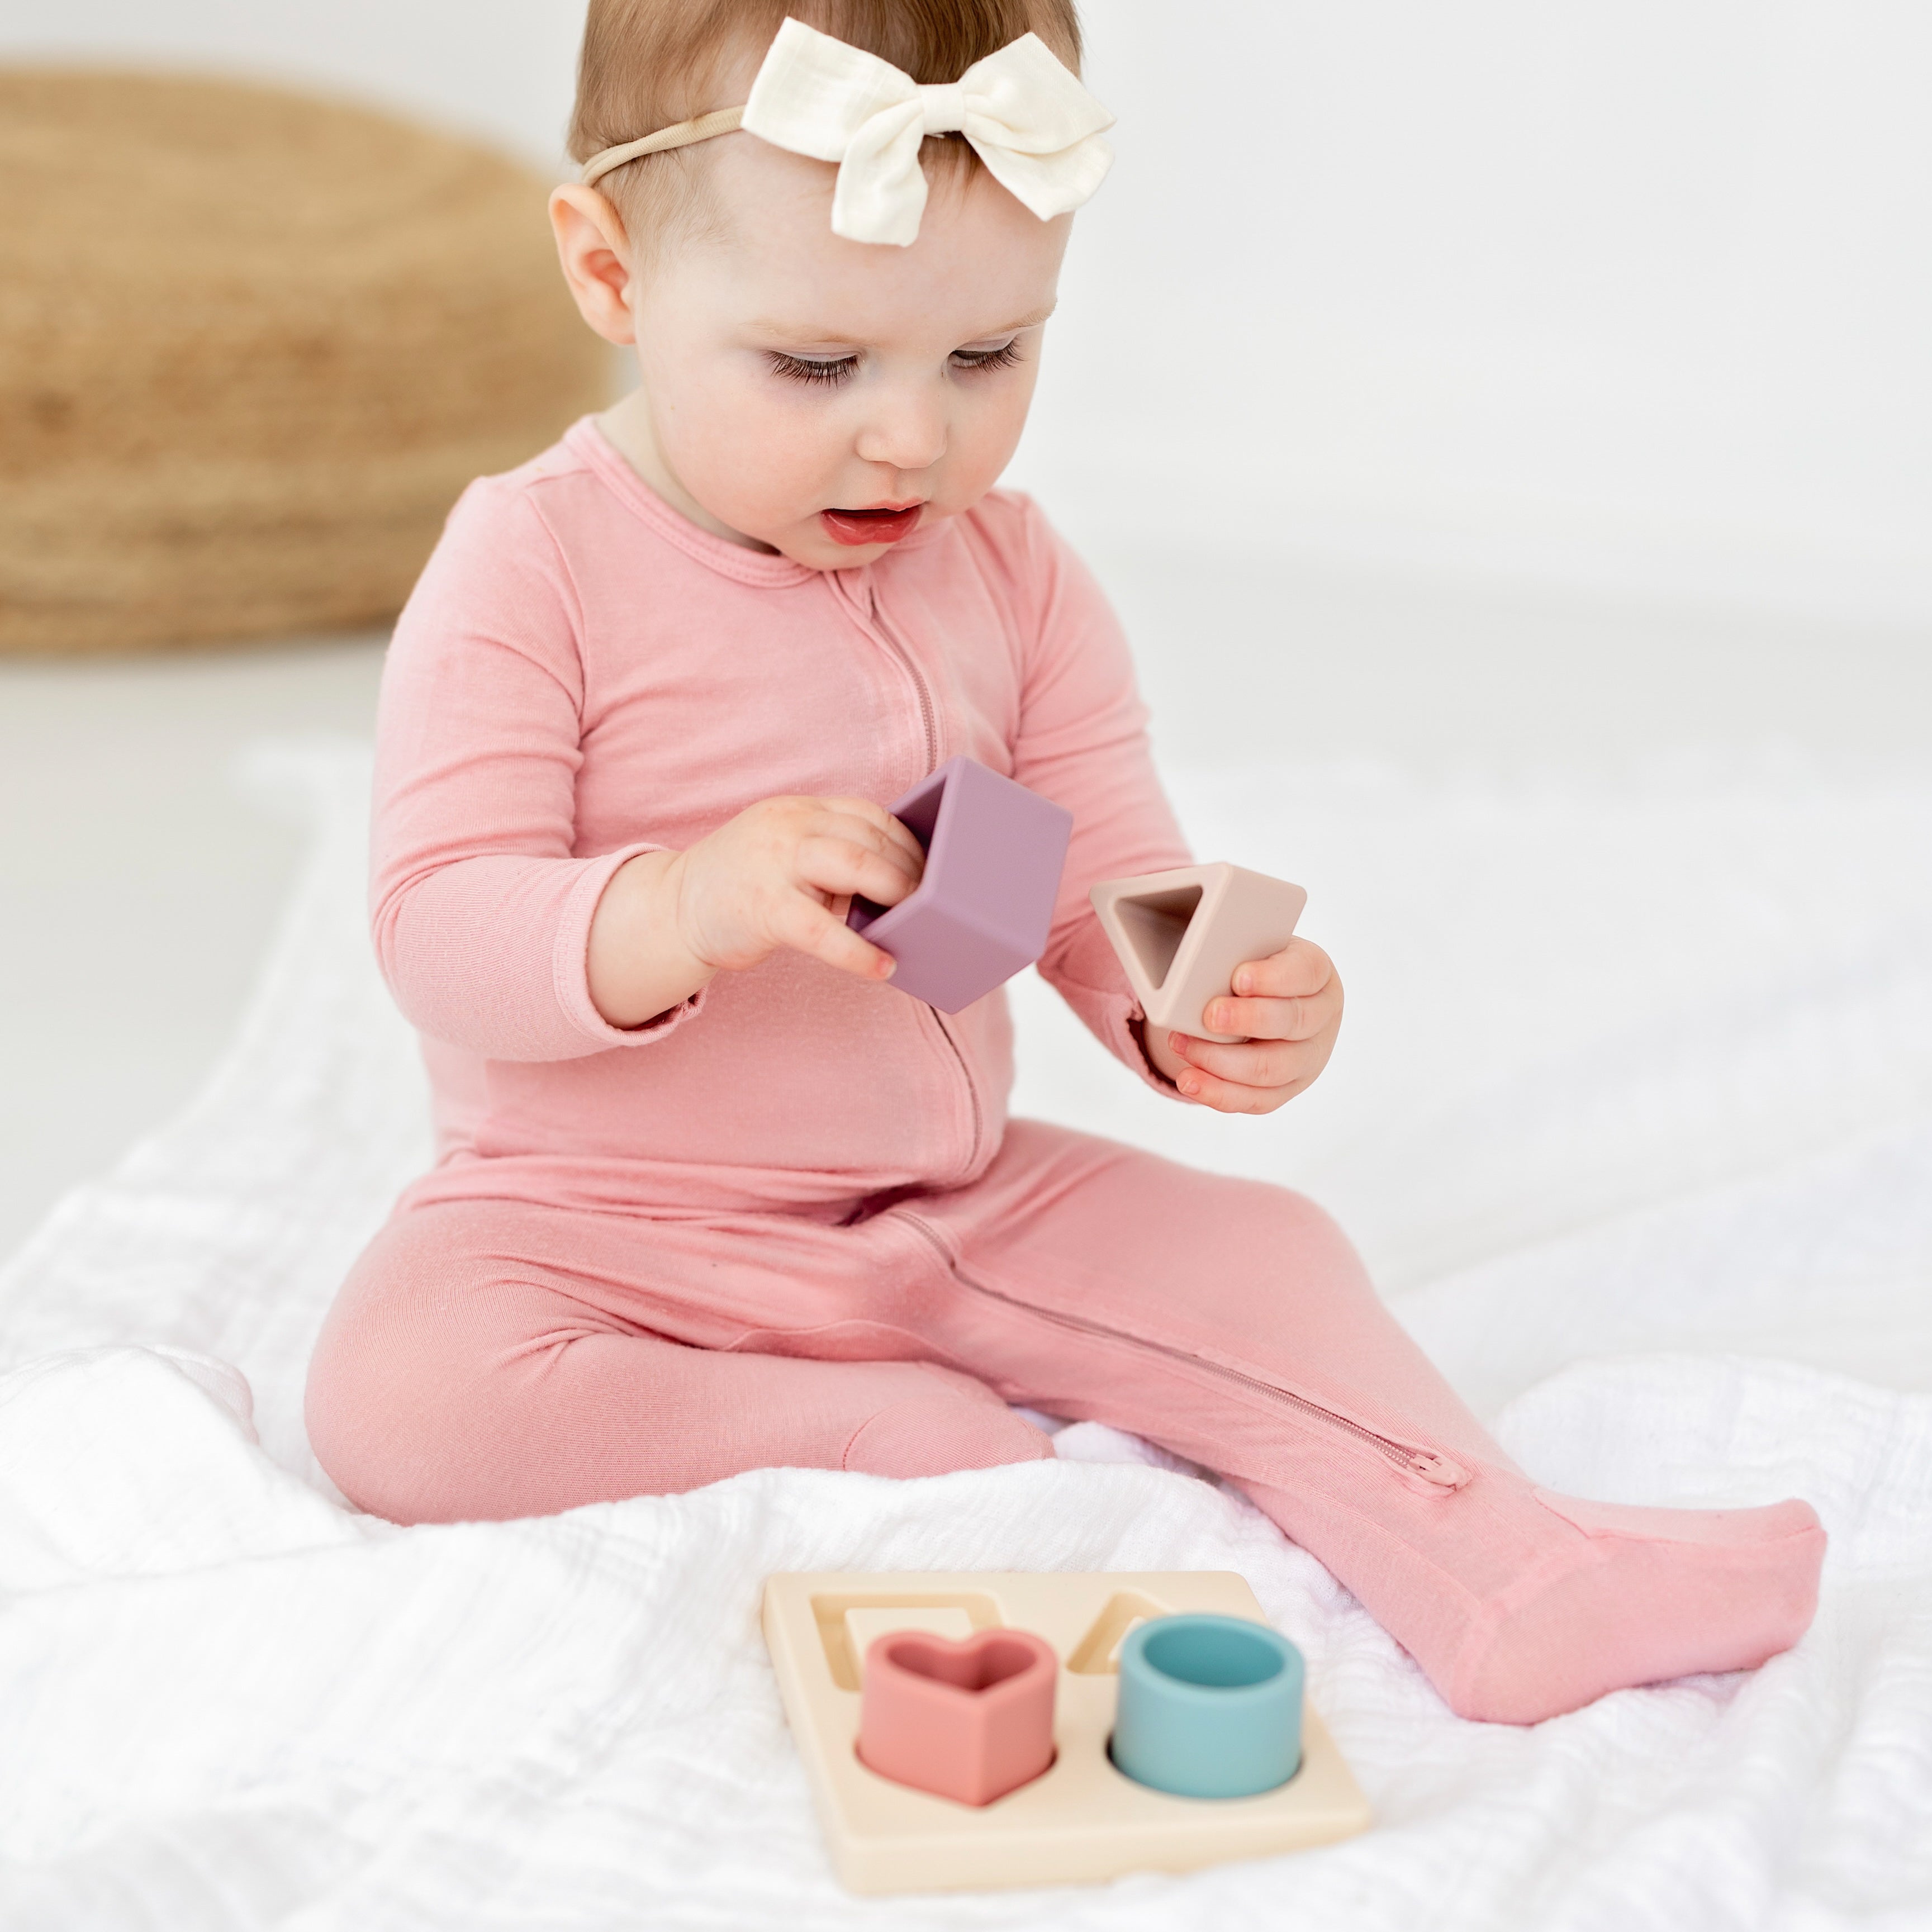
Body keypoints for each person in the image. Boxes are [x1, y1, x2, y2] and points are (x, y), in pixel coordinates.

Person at [306, 0, 1824, 1724]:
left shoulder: (1011, 575)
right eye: (816, 366)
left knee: (1269, 1252)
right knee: (400, 1389)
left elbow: (1101, 859)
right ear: (610, 272)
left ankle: (1518, 1578)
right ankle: (870, 1431)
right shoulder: (534, 564)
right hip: (595, 1226)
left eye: (988, 357)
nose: (910, 437)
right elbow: (439, 930)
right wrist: (683, 900)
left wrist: (1196, 992)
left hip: (948, 1202)